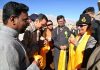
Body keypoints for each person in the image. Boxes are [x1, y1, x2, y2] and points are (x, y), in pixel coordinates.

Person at [0, 1, 40, 70]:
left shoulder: (12, 37)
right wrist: (34, 66)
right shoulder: (7, 44)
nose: (28, 23)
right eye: (25, 20)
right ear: (13, 20)